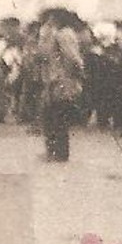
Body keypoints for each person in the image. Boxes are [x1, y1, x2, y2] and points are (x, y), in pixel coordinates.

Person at [34, 8, 86, 162]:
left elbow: (72, 57)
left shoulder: (64, 34)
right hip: (54, 80)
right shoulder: (56, 34)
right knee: (51, 116)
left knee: (57, 116)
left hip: (61, 80)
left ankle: (59, 153)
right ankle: (54, 151)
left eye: (52, 18)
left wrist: (71, 76)